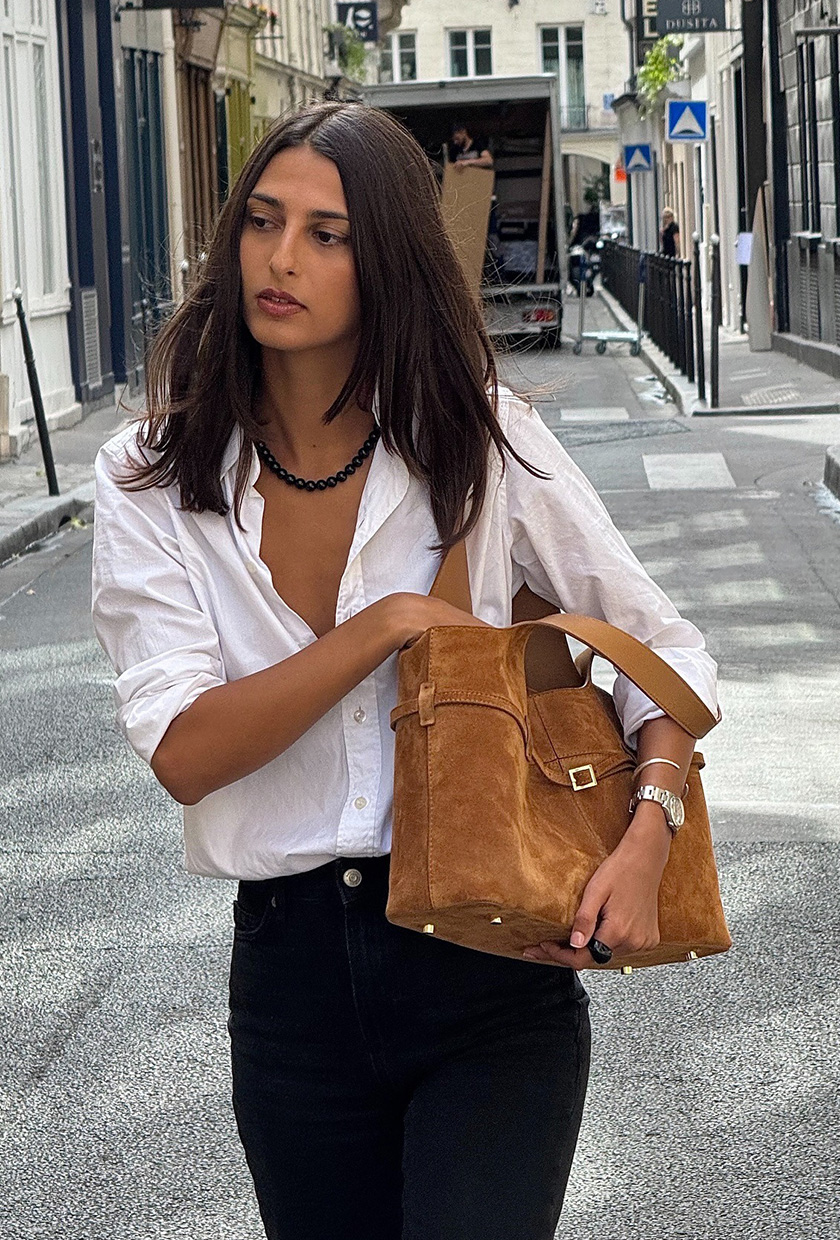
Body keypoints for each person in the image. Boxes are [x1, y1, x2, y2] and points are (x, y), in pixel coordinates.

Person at [91, 102, 718, 1240]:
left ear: (386, 262)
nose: (283, 259)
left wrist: (647, 834)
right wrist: (379, 626)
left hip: (488, 961)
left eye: (329, 234)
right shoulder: (152, 476)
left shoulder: (483, 439)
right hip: (291, 983)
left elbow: (661, 649)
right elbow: (185, 752)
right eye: (265, 222)